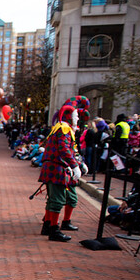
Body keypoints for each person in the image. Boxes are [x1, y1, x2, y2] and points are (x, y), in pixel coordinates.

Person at [39, 102, 85, 242]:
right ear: (69, 117)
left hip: (53, 167)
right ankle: (54, 230)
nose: (77, 120)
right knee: (57, 200)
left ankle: (48, 226)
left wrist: (79, 164)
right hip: (57, 167)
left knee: (54, 199)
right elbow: (64, 149)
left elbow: (70, 150)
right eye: (75, 117)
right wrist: (75, 166)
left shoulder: (60, 128)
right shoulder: (64, 128)